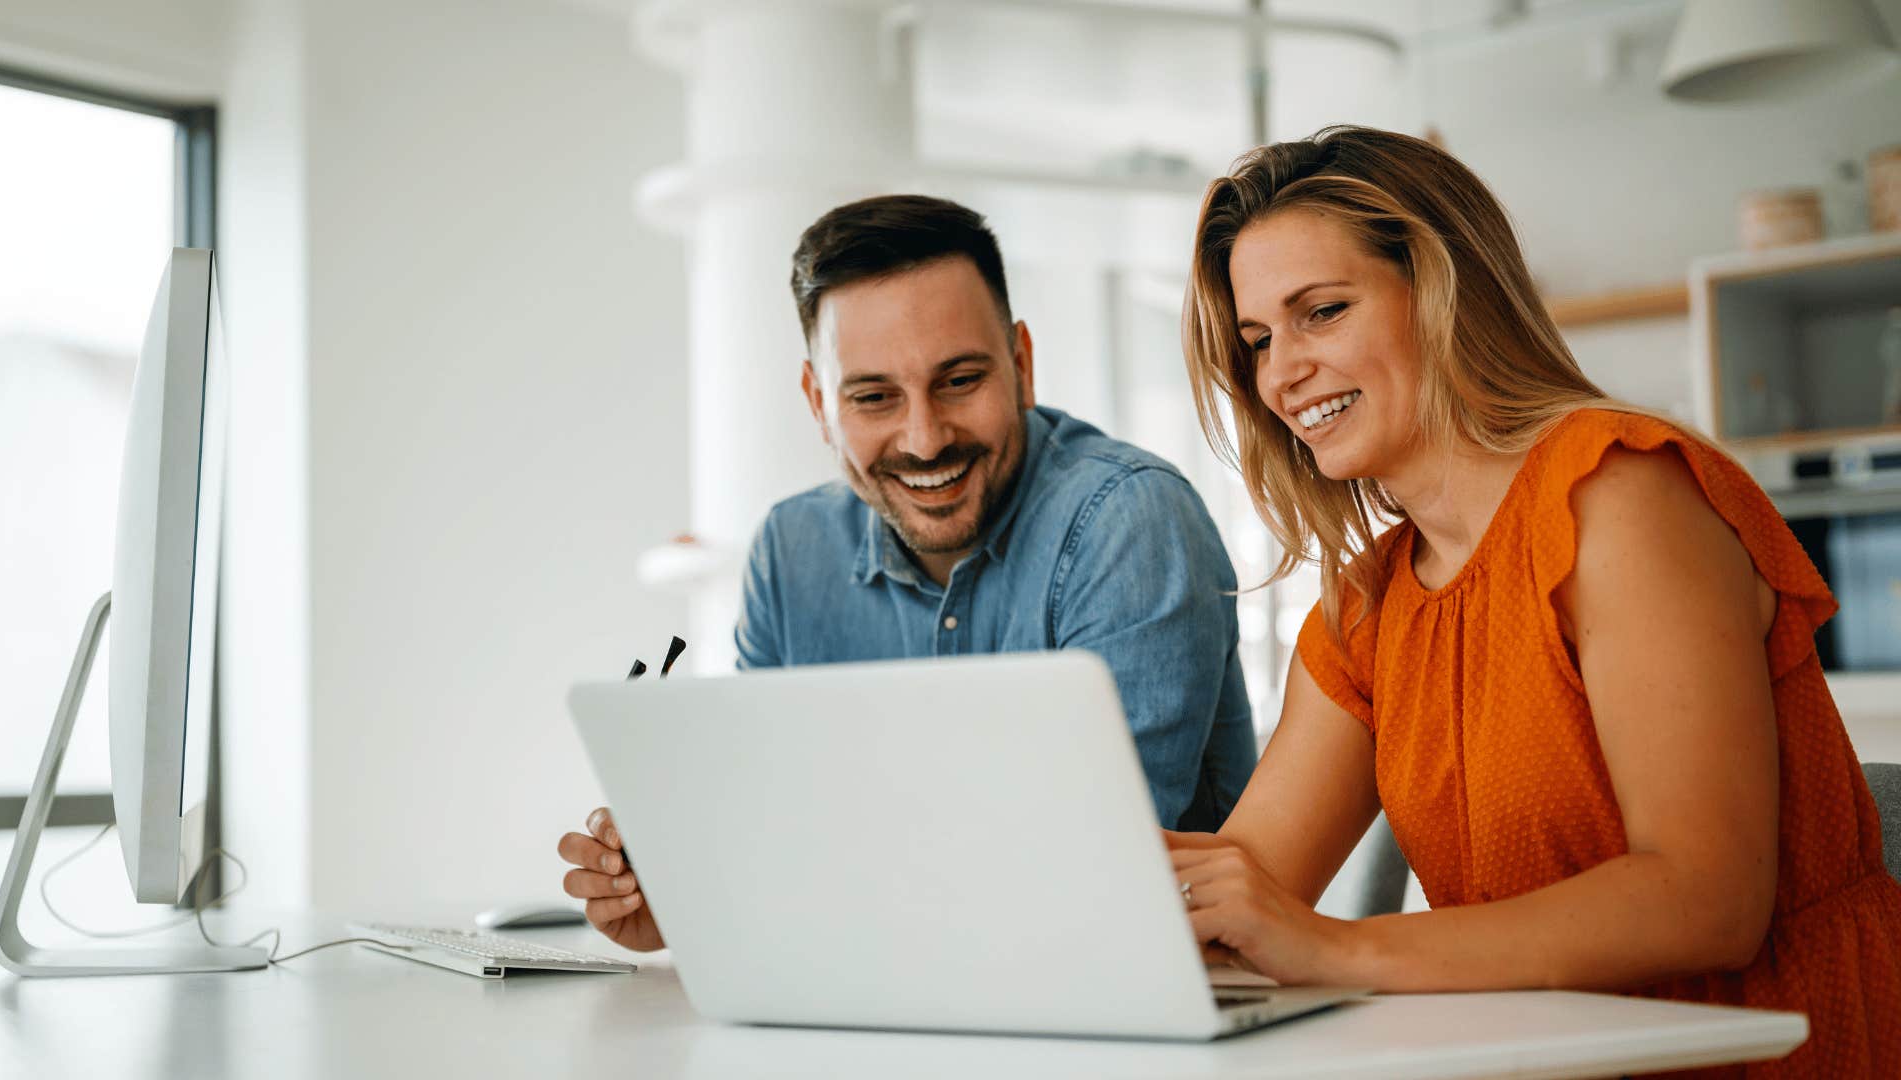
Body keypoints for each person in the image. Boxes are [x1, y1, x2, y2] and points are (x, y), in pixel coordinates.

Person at [1167, 125, 1901, 1075]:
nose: (1280, 372)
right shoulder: (1367, 610)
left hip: (1762, 1052)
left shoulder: (1622, 496)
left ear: (1445, 297)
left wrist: (1342, 948)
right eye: (1259, 339)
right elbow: (1248, 892)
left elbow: (1707, 898)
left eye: (1322, 311)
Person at [558, 194, 1259, 953]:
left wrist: (779, 879)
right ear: (818, 402)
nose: (924, 440)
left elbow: (1093, 879)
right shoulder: (791, 552)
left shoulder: (1129, 522)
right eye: (873, 397)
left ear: (1022, 367)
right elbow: (770, 828)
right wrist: (687, 895)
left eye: (959, 380)